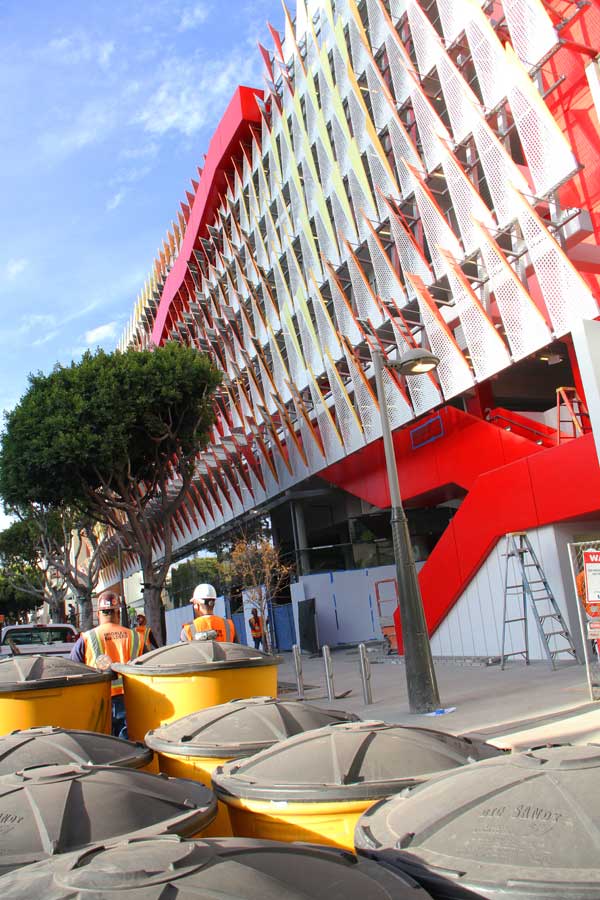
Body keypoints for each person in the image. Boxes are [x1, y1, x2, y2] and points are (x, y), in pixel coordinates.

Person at [70, 591, 144, 735]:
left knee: (103, 747)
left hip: (98, 701)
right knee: (128, 747)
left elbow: (72, 670)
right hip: (130, 700)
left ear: (98, 614)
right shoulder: (135, 637)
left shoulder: (87, 638)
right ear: (118, 613)